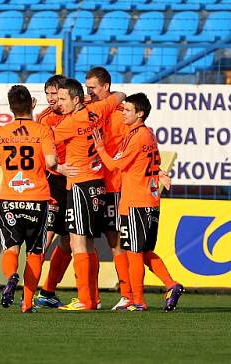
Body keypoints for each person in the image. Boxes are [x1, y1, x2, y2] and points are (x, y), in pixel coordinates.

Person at [93, 93, 184, 312]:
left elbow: (117, 165)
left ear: (140, 113)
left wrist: (100, 149)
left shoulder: (139, 136)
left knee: (133, 252)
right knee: (140, 251)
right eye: (123, 109)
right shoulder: (146, 134)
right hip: (146, 199)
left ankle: (138, 301)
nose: (123, 112)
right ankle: (171, 285)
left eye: (127, 110)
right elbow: (151, 162)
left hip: (137, 201)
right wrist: (160, 173)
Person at [0, 85, 58, 313]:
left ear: (11, 107)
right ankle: (27, 303)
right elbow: (51, 162)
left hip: (9, 199)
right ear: (32, 103)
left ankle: (11, 276)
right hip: (37, 199)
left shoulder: (1, 132)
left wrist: (3, 160)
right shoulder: (42, 131)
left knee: (11, 249)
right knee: (35, 252)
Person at [53, 78, 125, 311]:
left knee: (78, 241)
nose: (59, 103)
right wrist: (92, 101)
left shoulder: (69, 123)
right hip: (98, 183)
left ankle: (85, 299)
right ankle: (93, 298)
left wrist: (58, 167)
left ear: (76, 99)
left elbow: (42, 144)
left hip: (79, 184)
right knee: (90, 242)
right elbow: (121, 95)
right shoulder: (98, 110)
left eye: (63, 99)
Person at [84, 67, 132, 310]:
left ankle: (127, 293)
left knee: (116, 240)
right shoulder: (91, 109)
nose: (89, 92)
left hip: (114, 184)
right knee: (85, 239)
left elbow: (130, 146)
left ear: (106, 87)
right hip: (92, 184)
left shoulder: (122, 113)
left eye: (92, 88)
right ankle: (92, 298)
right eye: (87, 87)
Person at [34, 75, 72, 308]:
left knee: (68, 241)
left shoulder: (78, 112)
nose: (50, 98)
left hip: (76, 182)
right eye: (47, 94)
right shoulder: (44, 118)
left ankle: (47, 291)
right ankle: (27, 294)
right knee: (44, 240)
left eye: (54, 94)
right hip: (54, 181)